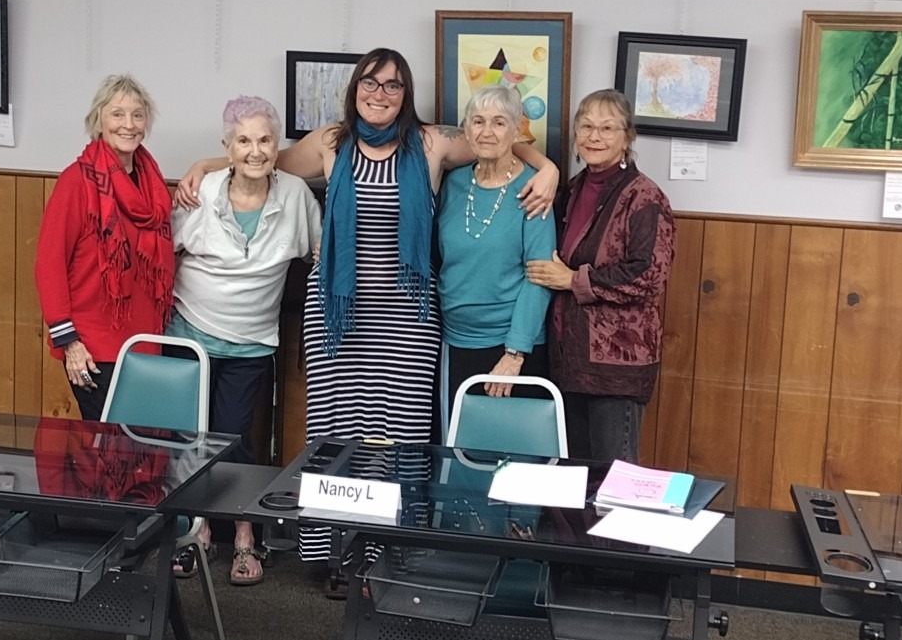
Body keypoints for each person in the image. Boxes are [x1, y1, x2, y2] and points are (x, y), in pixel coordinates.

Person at [175, 48, 558, 584]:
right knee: (334, 438)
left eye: (393, 85)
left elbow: (494, 137)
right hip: (337, 315)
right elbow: (264, 160)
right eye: (371, 83)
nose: (380, 94)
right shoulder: (331, 142)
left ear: (406, 93)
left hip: (406, 318)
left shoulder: (431, 143)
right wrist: (204, 164)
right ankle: (332, 555)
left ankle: (384, 554)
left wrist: (549, 168)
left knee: (397, 441)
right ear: (355, 89)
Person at [167, 95, 321, 585]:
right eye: (244, 141)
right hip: (190, 336)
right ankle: (193, 533)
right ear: (227, 147)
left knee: (234, 441)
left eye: (265, 140)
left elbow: (321, 255)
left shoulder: (295, 196)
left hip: (251, 343)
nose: (255, 151)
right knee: (187, 440)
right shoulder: (202, 191)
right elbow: (164, 252)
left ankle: (243, 535)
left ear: (277, 146)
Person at [526, 89, 676, 464]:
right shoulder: (572, 189)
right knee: (572, 473)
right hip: (569, 357)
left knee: (614, 474)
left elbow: (648, 275)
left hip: (618, 364)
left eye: (607, 128)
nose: (595, 137)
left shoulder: (645, 197)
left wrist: (572, 280)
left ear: (627, 137)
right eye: (587, 126)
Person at [35, 74, 173, 422]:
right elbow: (49, 265)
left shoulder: (152, 181)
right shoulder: (76, 181)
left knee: (143, 443)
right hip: (93, 345)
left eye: (137, 115)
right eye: (117, 114)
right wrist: (69, 343)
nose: (129, 124)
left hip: (145, 341)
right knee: (108, 444)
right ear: (98, 120)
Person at [436, 85, 556, 435]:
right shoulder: (453, 184)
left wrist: (515, 354)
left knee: (508, 455)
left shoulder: (534, 190)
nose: (487, 131)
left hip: (510, 346)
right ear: (466, 129)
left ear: (517, 130)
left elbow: (539, 278)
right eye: (478, 121)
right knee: (456, 450)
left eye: (499, 122)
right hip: (454, 342)